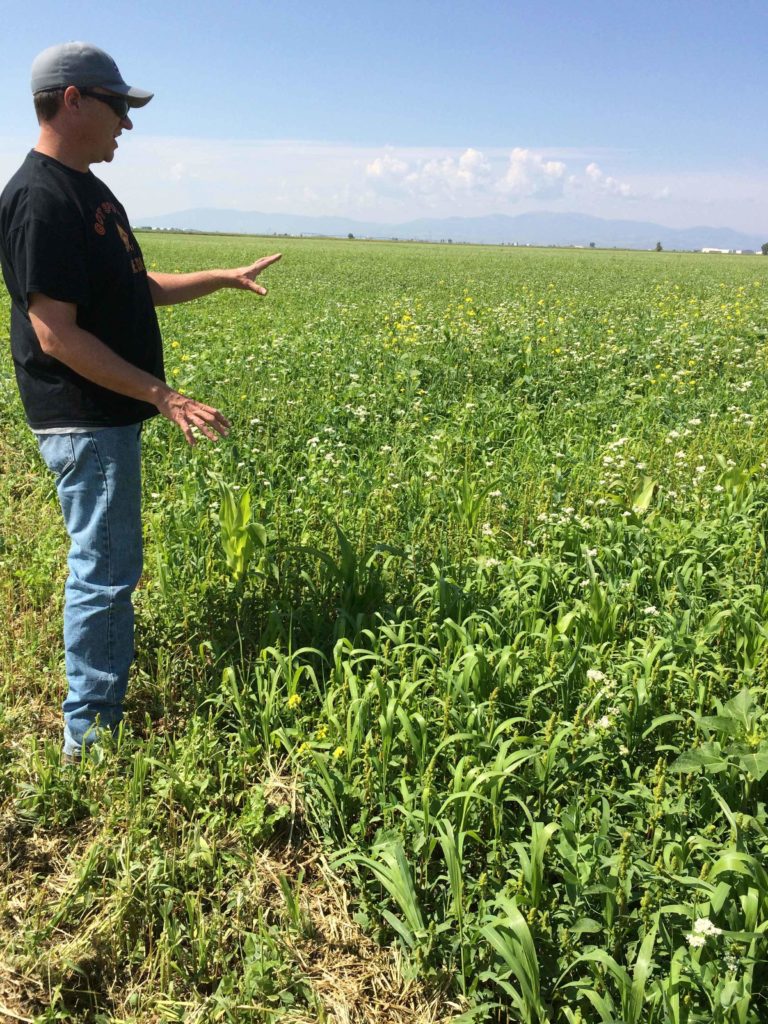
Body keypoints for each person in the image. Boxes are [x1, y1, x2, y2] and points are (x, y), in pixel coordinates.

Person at [0, 42, 281, 761]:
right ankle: (89, 737)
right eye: (118, 106)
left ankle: (94, 715)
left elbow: (136, 286)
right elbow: (55, 335)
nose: (127, 123)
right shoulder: (39, 198)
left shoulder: (90, 191)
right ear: (73, 100)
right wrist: (161, 393)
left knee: (111, 561)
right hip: (82, 416)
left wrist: (223, 275)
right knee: (104, 566)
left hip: (105, 415)